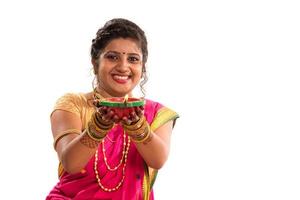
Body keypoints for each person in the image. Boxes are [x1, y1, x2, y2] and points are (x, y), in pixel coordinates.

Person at [46, 18, 179, 200]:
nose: (123, 67)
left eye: (133, 59)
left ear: (143, 67)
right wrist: (98, 128)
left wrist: (137, 126)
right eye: (112, 57)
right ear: (95, 63)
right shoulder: (73, 105)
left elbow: (158, 160)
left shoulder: (156, 112)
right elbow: (71, 163)